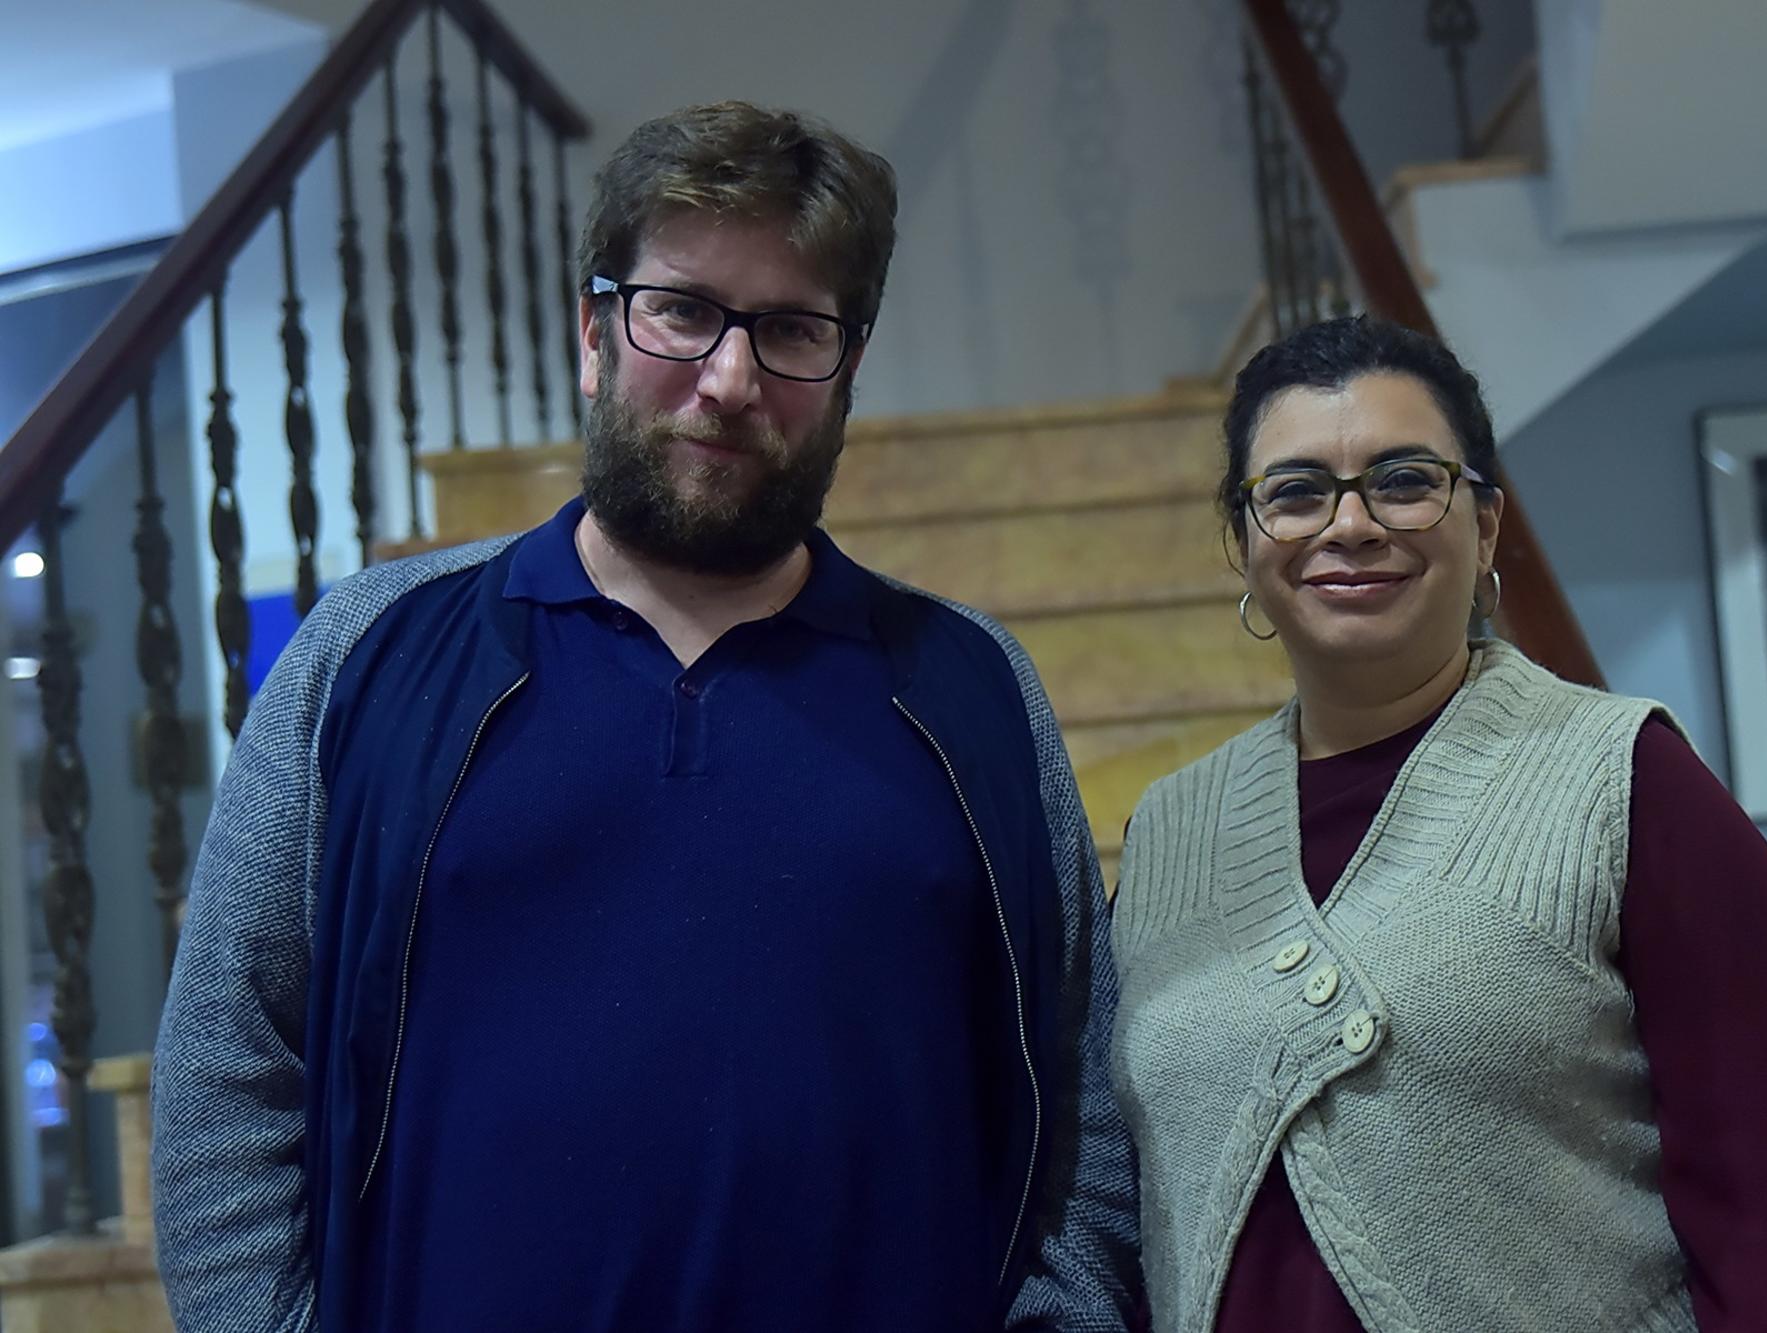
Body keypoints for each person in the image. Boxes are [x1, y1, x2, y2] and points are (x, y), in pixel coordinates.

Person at [153, 102, 1139, 1333]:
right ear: (594, 333)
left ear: (846, 367)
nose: (729, 380)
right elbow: (226, 1081)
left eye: (789, 329)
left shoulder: (971, 690)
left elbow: (1084, 1107)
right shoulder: (368, 657)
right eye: (682, 309)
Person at [1106, 315, 1767, 1332]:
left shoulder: (1627, 782)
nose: (1351, 523)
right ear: (1242, 543)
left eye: (1404, 479)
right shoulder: (1165, 833)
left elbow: (1766, 1214)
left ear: (1486, 525)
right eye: (1292, 493)